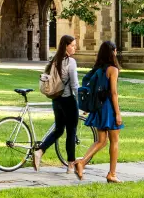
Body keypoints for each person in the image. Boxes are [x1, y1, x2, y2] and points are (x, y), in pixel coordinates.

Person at [71, 40, 123, 182]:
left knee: (101, 141)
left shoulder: (98, 70)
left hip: (98, 107)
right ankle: (112, 174)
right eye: (115, 50)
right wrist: (117, 113)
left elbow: (92, 89)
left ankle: (81, 162)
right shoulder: (113, 69)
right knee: (114, 141)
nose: (116, 52)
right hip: (108, 108)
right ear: (112, 52)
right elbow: (113, 93)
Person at [33, 35, 79, 173]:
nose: (75, 47)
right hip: (68, 100)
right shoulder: (70, 62)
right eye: (72, 45)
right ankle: (71, 164)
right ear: (66, 46)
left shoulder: (54, 60)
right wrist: (81, 101)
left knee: (59, 129)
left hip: (56, 99)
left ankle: (40, 151)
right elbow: (75, 85)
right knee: (71, 131)